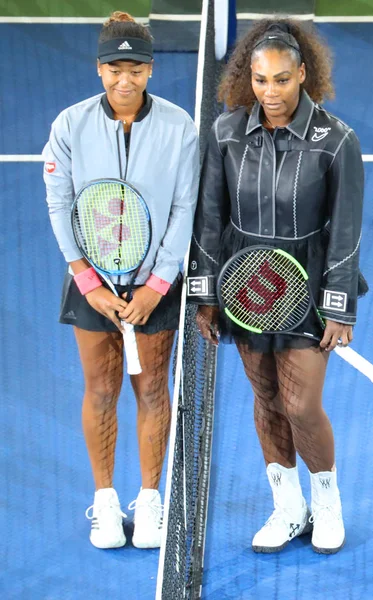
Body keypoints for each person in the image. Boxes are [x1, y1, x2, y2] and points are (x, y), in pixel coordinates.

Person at [188, 18, 366, 555]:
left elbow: (346, 231)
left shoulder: (336, 142)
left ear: (303, 75)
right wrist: (205, 295)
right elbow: (209, 219)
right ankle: (288, 507)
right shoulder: (223, 135)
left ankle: (327, 502)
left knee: (301, 404)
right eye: (261, 81)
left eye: (283, 80)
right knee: (266, 397)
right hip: (245, 288)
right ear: (249, 79)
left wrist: (340, 308)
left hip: (307, 288)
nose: (271, 92)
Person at [43, 11, 199, 549]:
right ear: (99, 69)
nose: (123, 79)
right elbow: (59, 202)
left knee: (153, 388)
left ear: (151, 70)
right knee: (100, 389)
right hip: (92, 281)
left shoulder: (180, 127)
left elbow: (185, 208)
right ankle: (107, 503)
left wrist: (158, 284)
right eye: (114, 68)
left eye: (134, 68)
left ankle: (150, 501)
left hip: (152, 281)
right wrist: (85, 277)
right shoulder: (69, 125)